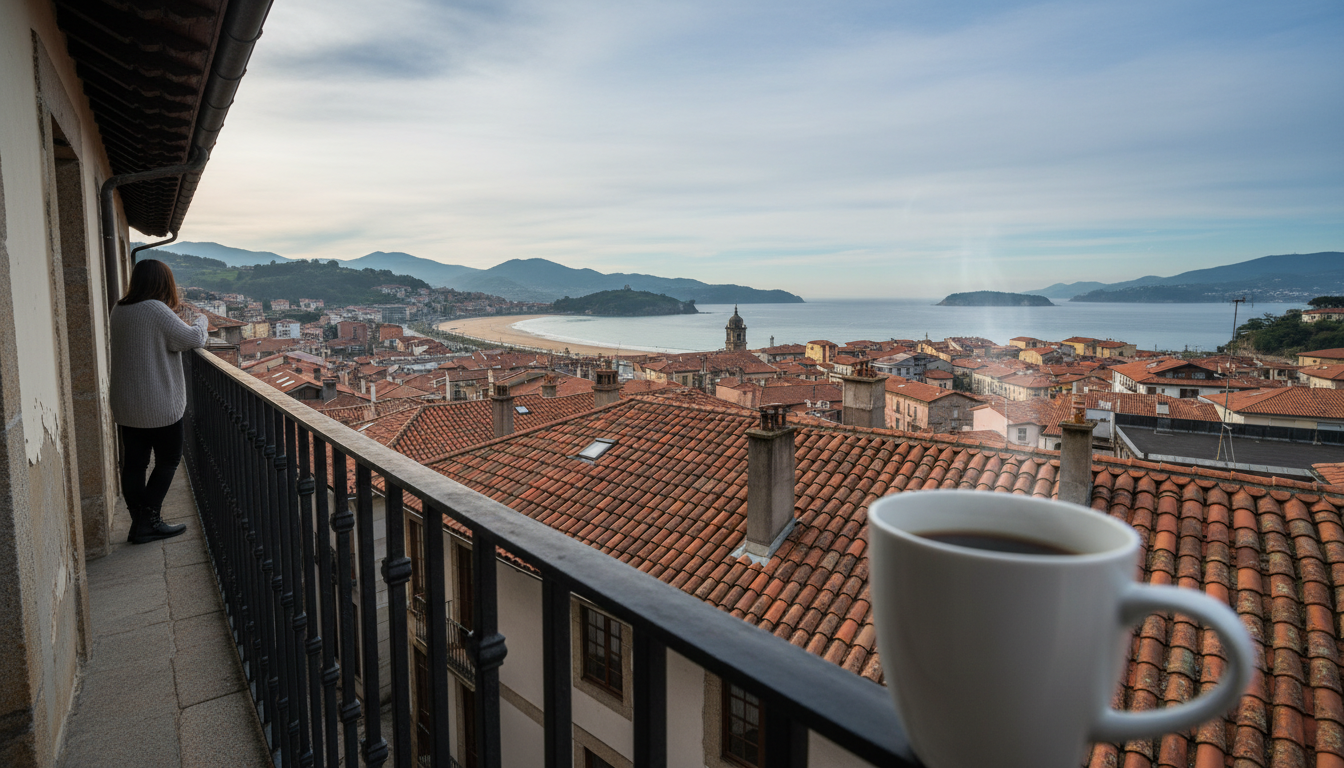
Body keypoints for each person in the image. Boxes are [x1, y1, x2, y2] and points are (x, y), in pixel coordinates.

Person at [109, 259, 209, 544]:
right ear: (164, 283)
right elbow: (192, 338)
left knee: (135, 463)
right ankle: (149, 520)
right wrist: (202, 319)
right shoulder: (155, 309)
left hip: (127, 402)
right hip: (158, 403)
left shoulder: (120, 308)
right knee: (168, 459)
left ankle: (139, 521)